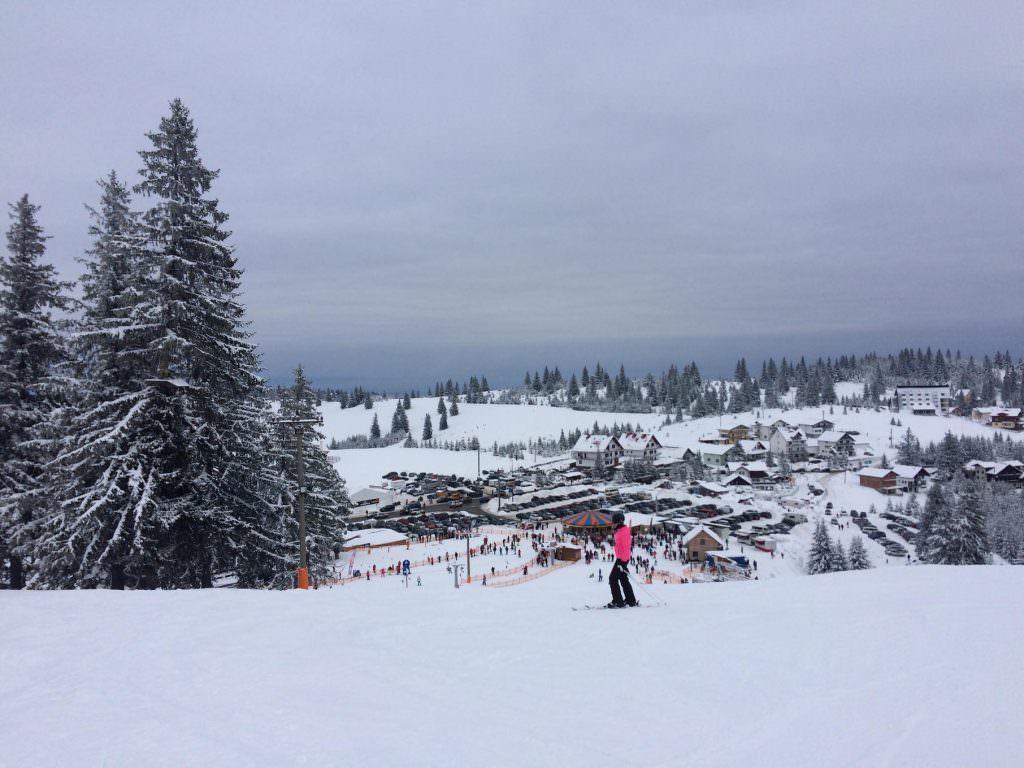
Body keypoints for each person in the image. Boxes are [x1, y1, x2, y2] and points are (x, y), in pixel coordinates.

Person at [607, 512, 637, 608]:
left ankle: (618, 601)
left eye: (614, 522)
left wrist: (621, 563)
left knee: (612, 579)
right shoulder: (621, 531)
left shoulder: (622, 532)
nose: (613, 524)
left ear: (619, 522)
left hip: (622, 560)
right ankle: (630, 600)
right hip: (622, 559)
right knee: (623, 579)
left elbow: (625, 548)